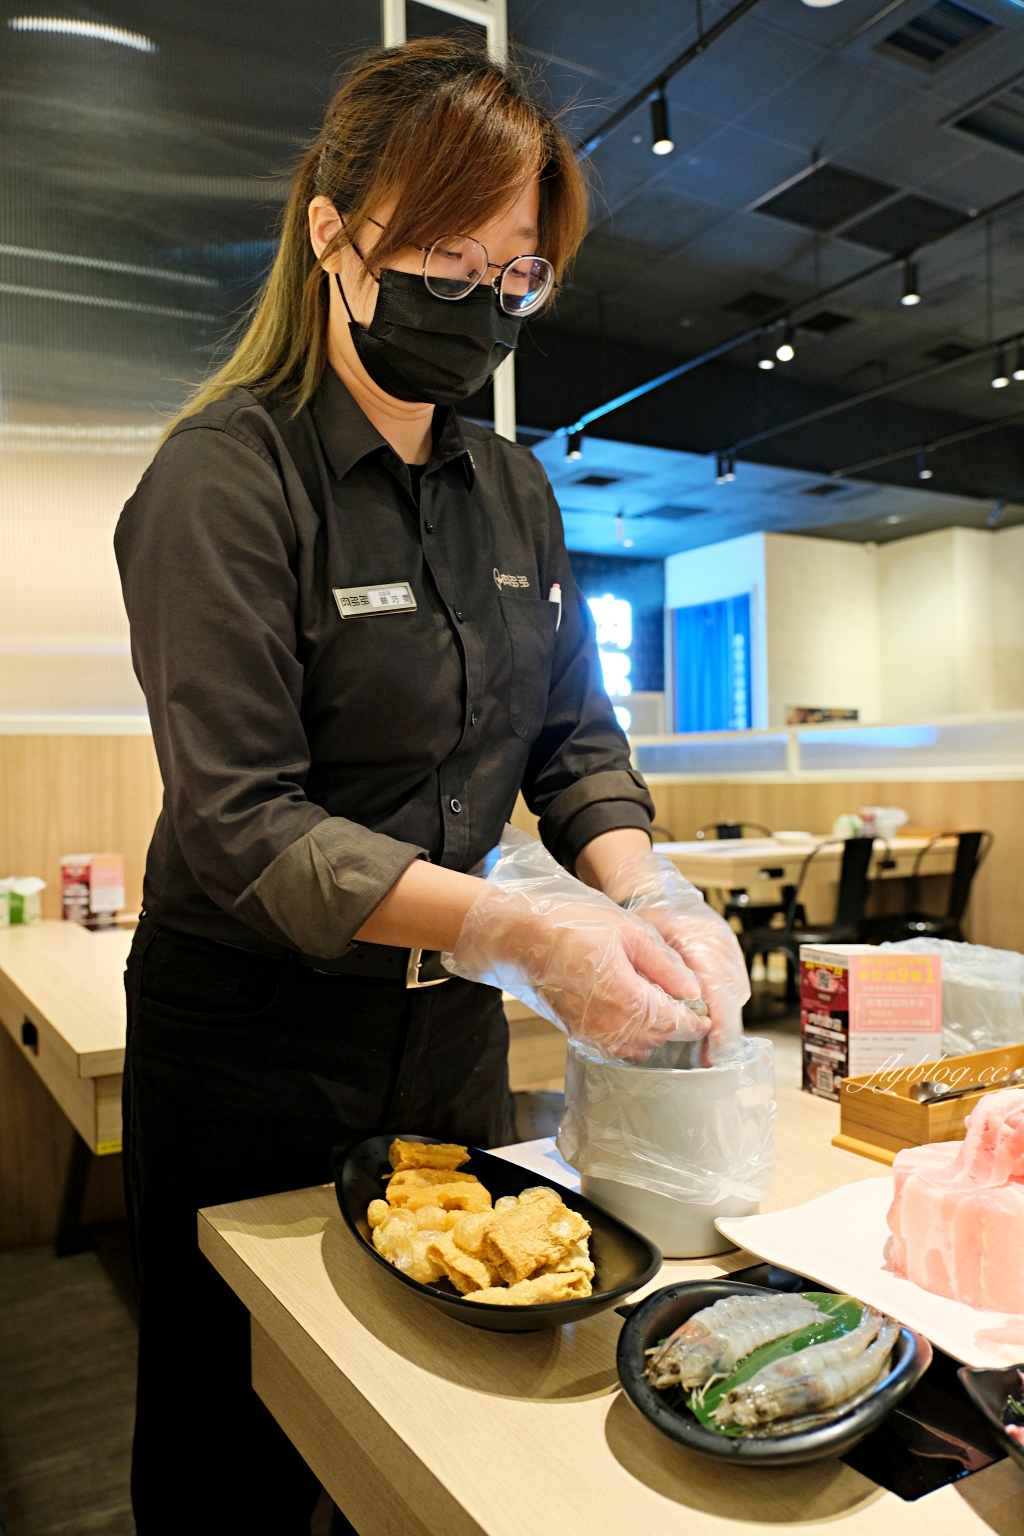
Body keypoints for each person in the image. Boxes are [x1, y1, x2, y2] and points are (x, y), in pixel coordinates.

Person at [114, 36, 748, 1534]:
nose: (477, 304)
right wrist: (522, 934)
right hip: (251, 1049)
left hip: (448, 1052)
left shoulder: (514, 489)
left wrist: (644, 888)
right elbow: (245, 820)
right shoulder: (224, 479)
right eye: (442, 260)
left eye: (512, 275)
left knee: (431, 1416)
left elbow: (572, 742)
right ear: (333, 235)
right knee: (235, 1432)